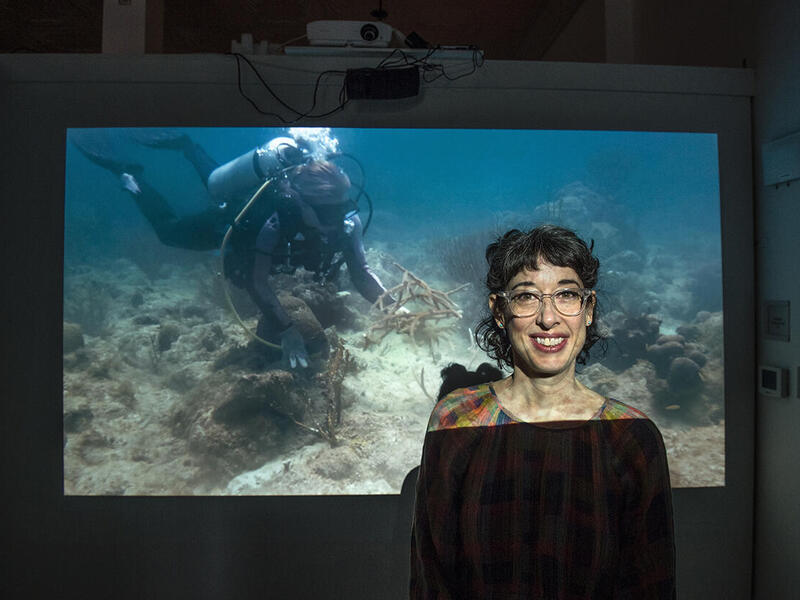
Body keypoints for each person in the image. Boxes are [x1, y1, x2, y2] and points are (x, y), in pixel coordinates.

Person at [410, 225, 676, 598]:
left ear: (588, 309)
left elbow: (652, 585)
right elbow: (431, 578)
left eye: (567, 294)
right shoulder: (456, 420)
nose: (548, 318)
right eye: (526, 297)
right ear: (499, 310)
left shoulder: (631, 434)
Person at [74, 130, 389, 369]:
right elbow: (257, 281)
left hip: (263, 213)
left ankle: (188, 146)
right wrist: (288, 331)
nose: (337, 222)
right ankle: (129, 174)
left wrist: (395, 309)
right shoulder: (273, 220)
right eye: (327, 214)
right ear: (301, 203)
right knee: (172, 230)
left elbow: (361, 273)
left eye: (343, 208)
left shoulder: (346, 221)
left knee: (218, 187)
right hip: (234, 224)